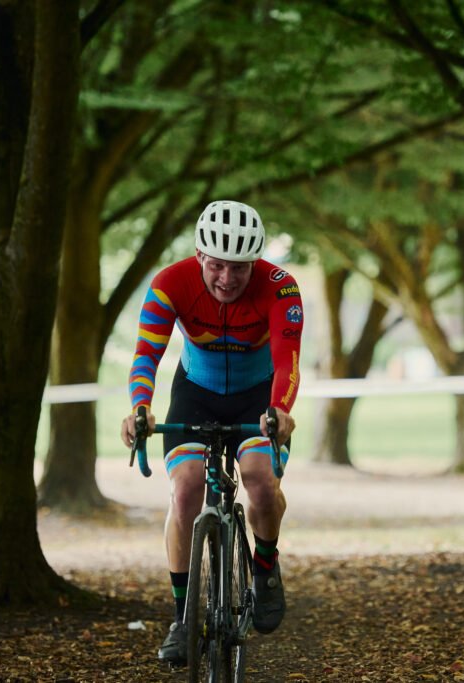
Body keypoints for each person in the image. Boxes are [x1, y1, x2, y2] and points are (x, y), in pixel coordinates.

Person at [120, 199, 302, 665]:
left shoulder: (280, 287)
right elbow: (146, 355)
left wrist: (280, 410)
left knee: (261, 480)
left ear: (255, 262)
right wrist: (140, 407)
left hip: (256, 397)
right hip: (195, 394)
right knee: (186, 490)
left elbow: (287, 362)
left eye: (239, 268)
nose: (226, 278)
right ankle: (182, 618)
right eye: (217, 265)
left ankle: (265, 568)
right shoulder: (169, 284)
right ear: (199, 255)